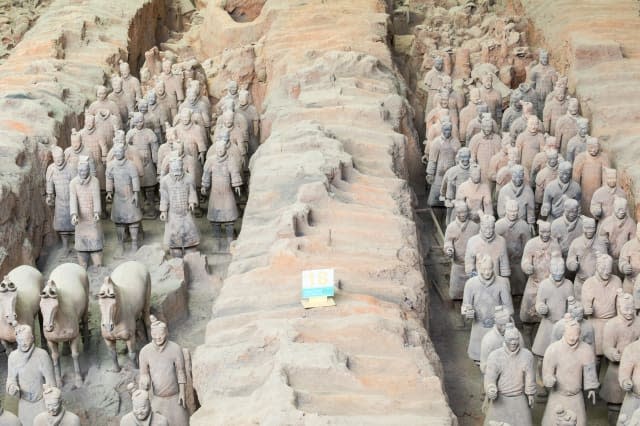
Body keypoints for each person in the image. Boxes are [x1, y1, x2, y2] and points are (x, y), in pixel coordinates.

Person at [541, 319, 598, 426]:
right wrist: (549, 379)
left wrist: (591, 388)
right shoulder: (553, 349)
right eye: (570, 334)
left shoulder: (586, 349)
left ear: (580, 334)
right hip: (557, 396)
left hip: (576, 396)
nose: (572, 338)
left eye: (575, 335)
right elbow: (547, 373)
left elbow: (590, 372)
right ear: (564, 333)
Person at [461, 254, 513, 362]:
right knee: (479, 359)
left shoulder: (502, 283)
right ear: (479, 268)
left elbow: (509, 308)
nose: (487, 272)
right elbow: (465, 306)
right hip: (478, 326)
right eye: (484, 269)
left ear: (493, 267)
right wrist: (468, 313)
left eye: (489, 269)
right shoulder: (470, 284)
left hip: (497, 328)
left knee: (498, 359)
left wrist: (501, 318)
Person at [139, 316, 189, 425]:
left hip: (175, 397)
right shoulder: (145, 352)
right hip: (157, 398)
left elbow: (181, 372)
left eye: (160, 334)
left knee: (182, 422)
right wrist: (144, 382)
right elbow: (143, 374)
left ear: (166, 332)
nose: (158, 338)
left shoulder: (175, 348)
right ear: (151, 334)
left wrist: (182, 393)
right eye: (154, 335)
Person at [484, 323, 535, 426]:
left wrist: (530, 394)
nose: (514, 342)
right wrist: (490, 388)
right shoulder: (495, 356)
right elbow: (490, 378)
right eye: (510, 339)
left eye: (516, 339)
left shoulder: (527, 355)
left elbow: (530, 376)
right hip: (501, 397)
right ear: (505, 339)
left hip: (519, 397)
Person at [6, 324, 56, 426]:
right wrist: (11, 387)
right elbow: (10, 379)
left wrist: (51, 399)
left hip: (41, 402)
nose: (23, 343)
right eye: (20, 340)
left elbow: (51, 382)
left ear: (32, 338)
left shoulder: (42, 355)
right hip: (24, 403)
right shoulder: (13, 357)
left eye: (26, 339)